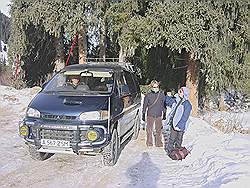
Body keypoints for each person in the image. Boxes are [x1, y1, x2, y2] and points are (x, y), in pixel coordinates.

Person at [164, 86, 192, 154]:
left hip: (181, 125)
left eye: (181, 91)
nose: (179, 93)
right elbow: (169, 101)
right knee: (172, 138)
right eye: (179, 91)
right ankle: (169, 151)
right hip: (174, 123)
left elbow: (185, 116)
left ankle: (177, 151)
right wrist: (167, 96)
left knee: (179, 139)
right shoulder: (177, 100)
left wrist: (180, 125)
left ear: (184, 93)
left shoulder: (187, 104)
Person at [142, 80, 166, 147]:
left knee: (159, 130)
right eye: (154, 87)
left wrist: (164, 113)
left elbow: (163, 105)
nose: (155, 88)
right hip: (150, 115)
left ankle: (159, 143)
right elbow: (145, 105)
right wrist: (143, 114)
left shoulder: (161, 95)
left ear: (158, 86)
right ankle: (149, 142)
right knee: (149, 130)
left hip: (158, 114)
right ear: (151, 87)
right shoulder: (148, 95)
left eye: (157, 86)